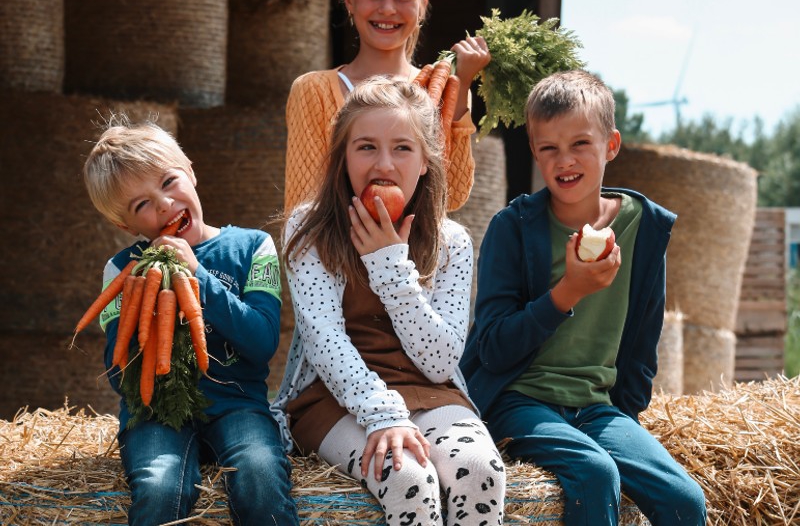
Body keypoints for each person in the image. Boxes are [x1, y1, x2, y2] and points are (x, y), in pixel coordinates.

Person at [460, 70, 707, 526]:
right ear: (534, 152)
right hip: (519, 401)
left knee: (685, 500)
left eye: (580, 144)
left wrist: (624, 416)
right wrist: (567, 292)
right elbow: (492, 346)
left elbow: (643, 342)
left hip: (597, 408)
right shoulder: (511, 229)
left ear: (610, 146)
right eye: (549, 147)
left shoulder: (643, 229)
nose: (564, 160)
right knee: (594, 472)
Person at [273, 76, 506, 526]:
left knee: (480, 471)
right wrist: (384, 417)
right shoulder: (310, 230)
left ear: (424, 163)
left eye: (402, 148)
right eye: (365, 147)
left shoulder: (451, 241)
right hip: (336, 399)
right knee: (406, 477)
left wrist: (390, 267)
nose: (384, 162)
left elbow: (439, 361)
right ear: (342, 158)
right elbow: (324, 342)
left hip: (431, 392)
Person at [82, 116, 298, 526]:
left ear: (191, 172)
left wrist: (197, 277)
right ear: (123, 225)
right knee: (160, 486)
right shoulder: (120, 271)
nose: (164, 204)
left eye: (168, 182)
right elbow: (118, 376)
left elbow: (262, 341)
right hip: (155, 415)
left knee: (259, 475)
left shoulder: (254, 246)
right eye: (142, 204)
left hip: (238, 407)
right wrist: (143, 297)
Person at [284, 0, 490, 214]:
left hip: (412, 256)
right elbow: (302, 208)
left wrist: (463, 83)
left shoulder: (441, 89)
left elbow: (451, 196)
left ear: (423, 6)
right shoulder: (313, 90)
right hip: (334, 256)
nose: (388, 9)